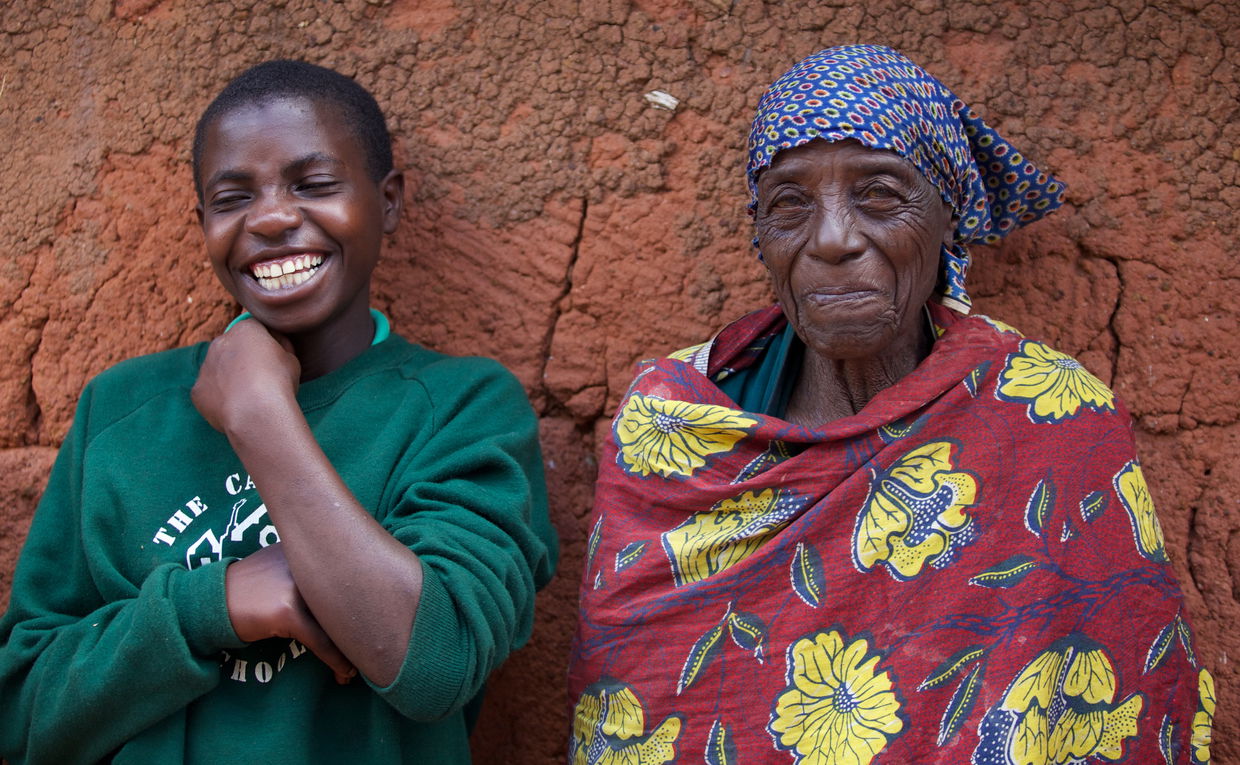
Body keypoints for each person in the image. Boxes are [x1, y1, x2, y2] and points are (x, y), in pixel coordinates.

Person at [567, 45, 1212, 764]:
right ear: (760, 237)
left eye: (879, 193)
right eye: (790, 204)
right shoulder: (673, 425)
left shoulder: (1052, 421)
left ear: (947, 221)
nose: (834, 238)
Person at [0, 60, 557, 764]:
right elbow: (22, 711)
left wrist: (262, 417)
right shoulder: (120, 411)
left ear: (387, 201)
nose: (269, 217)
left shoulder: (462, 409)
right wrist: (215, 605)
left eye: (315, 184)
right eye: (232, 198)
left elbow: (435, 663)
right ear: (202, 223)